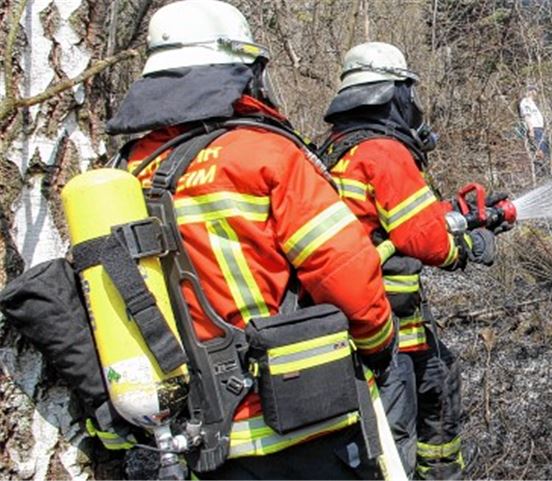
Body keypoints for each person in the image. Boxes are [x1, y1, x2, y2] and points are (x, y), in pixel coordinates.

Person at [102, 1, 396, 478]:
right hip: (298, 421)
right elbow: (346, 270)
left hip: (196, 437)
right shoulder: (261, 153)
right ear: (238, 72)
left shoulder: (127, 170)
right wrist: (379, 345)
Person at [320, 42, 497, 480]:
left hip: (383, 319)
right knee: (396, 431)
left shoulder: (337, 148)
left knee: (439, 382)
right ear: (392, 93)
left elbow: (394, 221)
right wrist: (471, 244)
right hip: (384, 327)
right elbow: (426, 240)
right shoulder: (383, 151)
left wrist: (457, 216)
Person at [518, 85, 550, 176]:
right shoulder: (525, 103)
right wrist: (531, 130)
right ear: (531, 91)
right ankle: (541, 171)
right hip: (535, 128)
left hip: (539, 128)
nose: (536, 93)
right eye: (535, 91)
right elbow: (527, 116)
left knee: (544, 149)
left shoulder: (532, 103)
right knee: (539, 150)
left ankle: (545, 169)